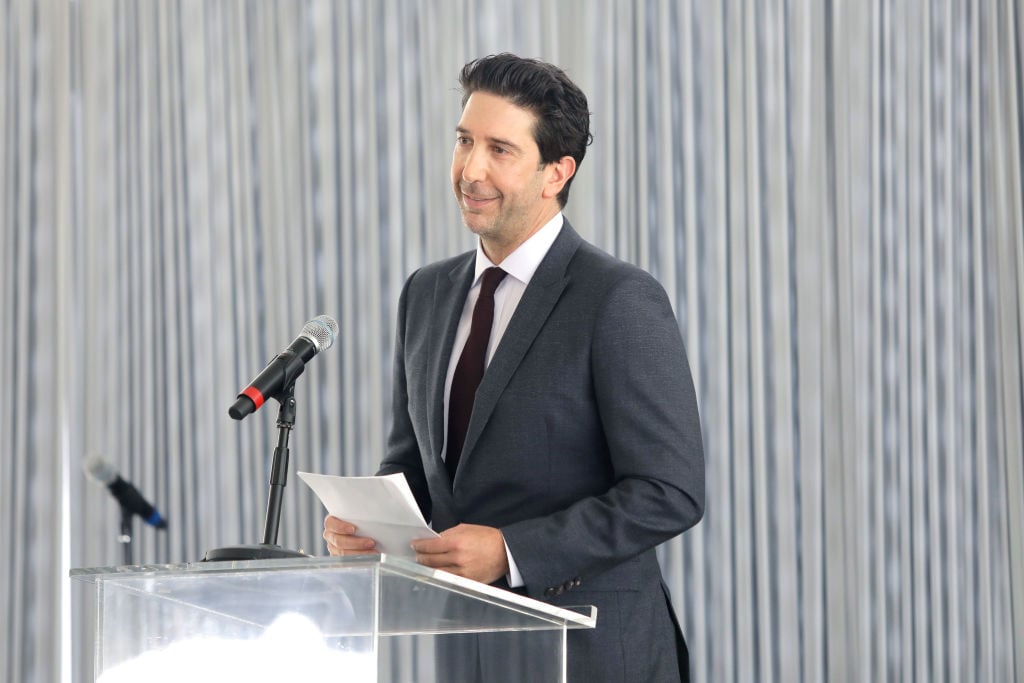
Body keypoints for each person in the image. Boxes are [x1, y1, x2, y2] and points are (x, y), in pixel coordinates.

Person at [324, 53, 705, 682]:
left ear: (557, 172)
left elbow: (669, 493)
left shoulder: (616, 298)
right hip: (467, 647)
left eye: (500, 149)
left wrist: (510, 550)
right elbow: (414, 463)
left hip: (590, 650)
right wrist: (371, 528)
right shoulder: (426, 292)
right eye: (464, 141)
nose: (470, 169)